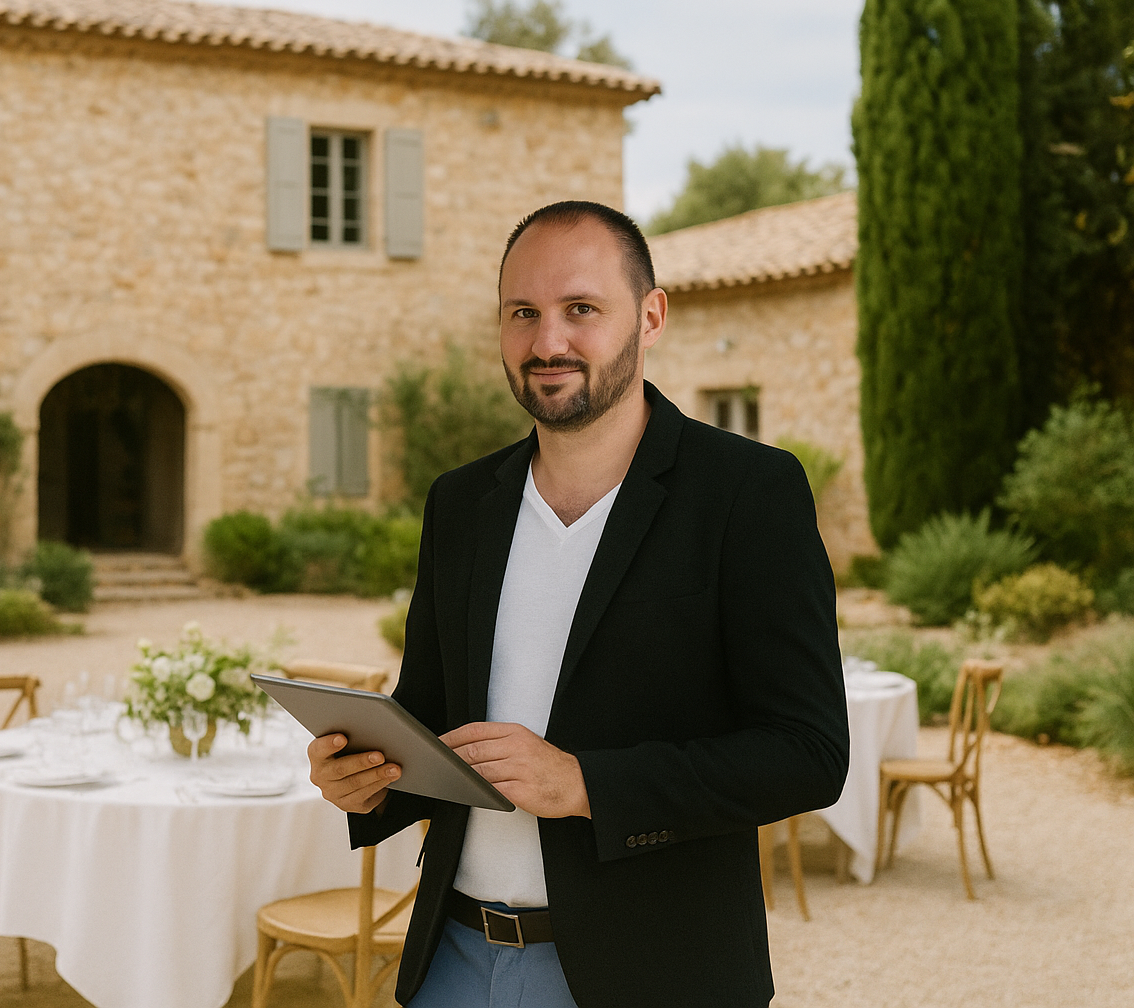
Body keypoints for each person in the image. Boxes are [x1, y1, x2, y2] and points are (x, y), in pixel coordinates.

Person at [307, 200, 850, 1008]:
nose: (547, 341)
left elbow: (806, 752)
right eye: (522, 312)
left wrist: (584, 784)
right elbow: (434, 715)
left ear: (651, 316)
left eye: (581, 310)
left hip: (654, 973)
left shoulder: (749, 493)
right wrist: (372, 778)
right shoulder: (460, 503)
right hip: (451, 962)